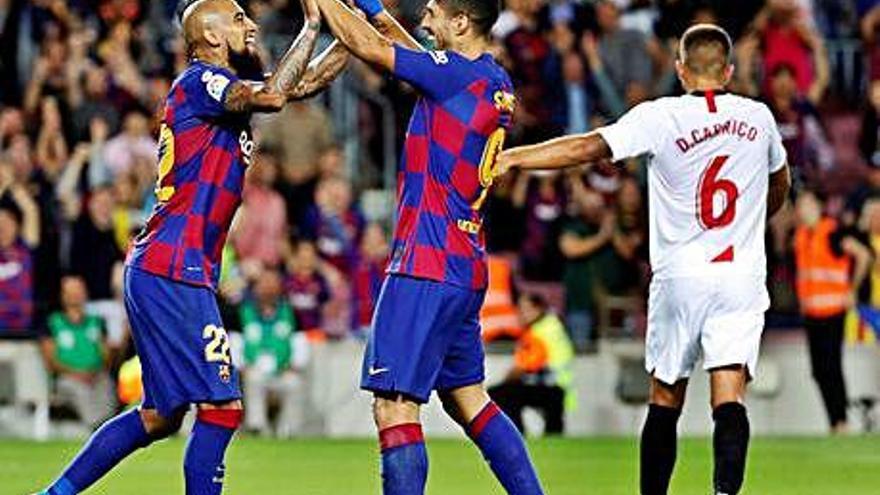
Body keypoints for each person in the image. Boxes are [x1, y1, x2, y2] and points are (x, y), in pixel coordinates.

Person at [34, 0, 348, 493]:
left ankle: (55, 493)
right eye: (240, 18)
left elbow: (298, 84)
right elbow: (272, 97)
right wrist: (312, 24)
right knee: (223, 408)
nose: (250, 24)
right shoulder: (202, 81)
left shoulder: (219, 91)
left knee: (160, 415)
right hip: (172, 266)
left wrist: (350, 33)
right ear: (213, 35)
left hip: (168, 265)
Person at [496, 24, 791, 495]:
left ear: (679, 70)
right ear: (730, 72)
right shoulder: (759, 118)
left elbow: (589, 146)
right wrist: (754, 221)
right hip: (740, 274)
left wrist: (515, 158)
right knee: (730, 394)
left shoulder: (660, 116)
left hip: (680, 276)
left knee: (665, 396)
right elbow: (780, 181)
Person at [313, 0, 545, 493]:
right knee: (469, 400)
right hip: (463, 264)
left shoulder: (454, 76)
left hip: (425, 261)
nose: (425, 18)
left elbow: (374, 49)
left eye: (435, 11)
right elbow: (413, 52)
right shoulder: (492, 81)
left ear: (461, 23)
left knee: (395, 405)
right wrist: (374, 8)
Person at [792, 189, 872, 434]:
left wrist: (852, 290)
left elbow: (864, 255)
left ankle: (841, 422)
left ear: (818, 206)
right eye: (800, 205)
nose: (802, 210)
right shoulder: (802, 236)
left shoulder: (834, 232)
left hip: (833, 310)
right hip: (812, 312)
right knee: (818, 370)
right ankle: (835, 421)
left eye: (807, 204)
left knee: (831, 366)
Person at [489, 293, 574, 435]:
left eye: (525, 309)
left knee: (500, 393)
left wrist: (509, 377)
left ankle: (517, 434)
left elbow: (525, 365)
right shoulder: (551, 325)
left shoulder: (539, 331)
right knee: (553, 426)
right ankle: (552, 436)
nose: (520, 314)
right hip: (558, 385)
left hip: (550, 386)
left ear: (538, 309)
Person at [237, 268, 308, 437]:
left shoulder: (291, 312)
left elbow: (300, 342)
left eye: (272, 283)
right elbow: (234, 341)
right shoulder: (241, 311)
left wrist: (294, 364)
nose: (268, 288)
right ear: (255, 287)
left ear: (280, 287)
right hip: (253, 369)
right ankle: (257, 427)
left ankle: (288, 429)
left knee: (294, 383)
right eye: (264, 283)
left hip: (282, 371)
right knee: (253, 378)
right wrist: (241, 366)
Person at [39, 276, 115, 429]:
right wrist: (76, 373)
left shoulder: (97, 321)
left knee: (106, 384)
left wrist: (94, 371)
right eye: (71, 292)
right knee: (77, 389)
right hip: (67, 377)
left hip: (95, 375)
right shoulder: (53, 322)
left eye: (79, 291)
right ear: (62, 295)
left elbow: (106, 353)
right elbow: (50, 359)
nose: (76, 295)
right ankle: (96, 427)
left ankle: (108, 427)